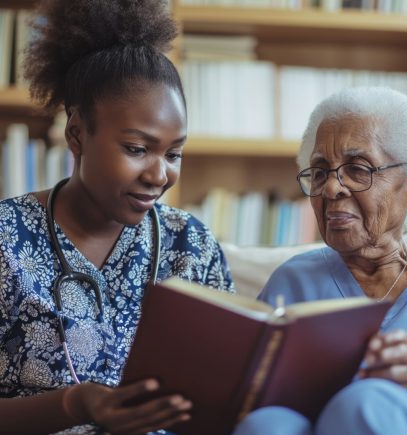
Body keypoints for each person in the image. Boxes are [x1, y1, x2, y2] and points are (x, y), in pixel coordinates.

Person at [0, 1, 234, 434]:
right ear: (76, 133)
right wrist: (75, 404)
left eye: (174, 153)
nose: (160, 174)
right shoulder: (6, 241)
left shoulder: (191, 247)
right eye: (137, 149)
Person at [234, 87, 407, 435]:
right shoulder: (293, 281)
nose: (331, 188)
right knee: (268, 425)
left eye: (358, 169)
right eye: (320, 172)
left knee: (363, 405)